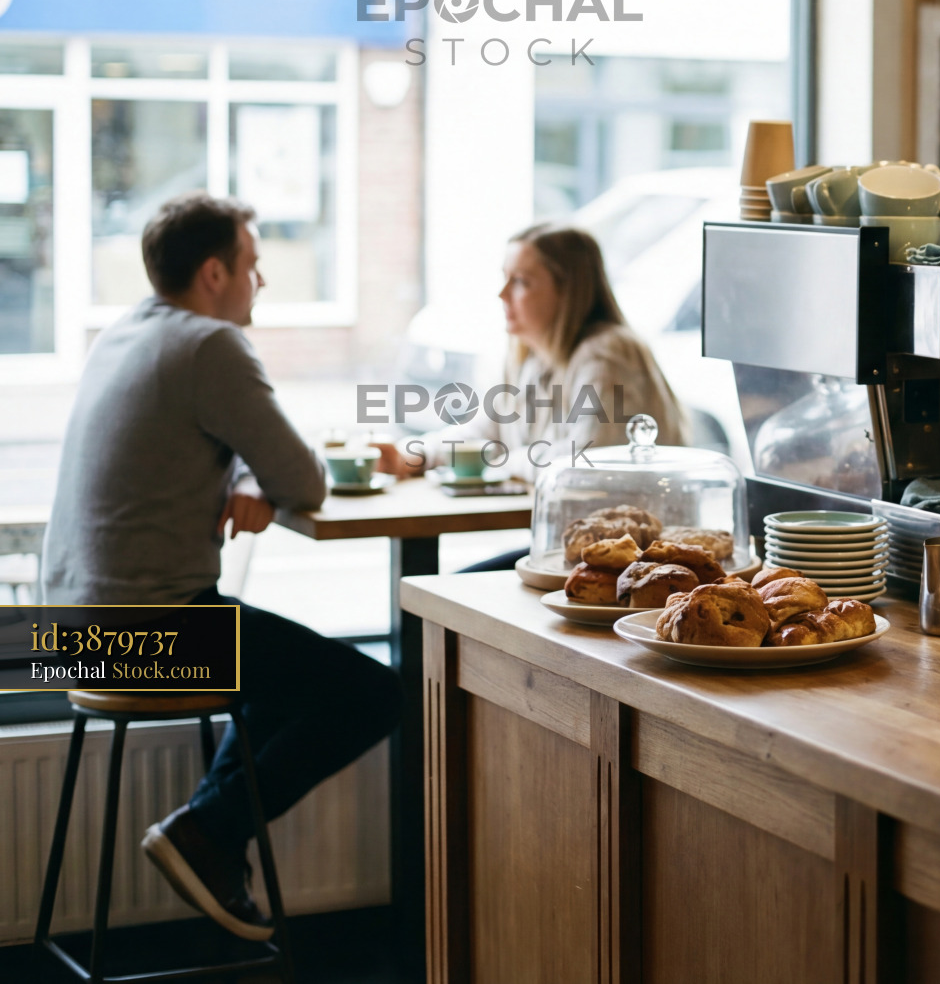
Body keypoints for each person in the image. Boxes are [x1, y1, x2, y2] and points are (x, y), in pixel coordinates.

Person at [40, 193, 400, 941]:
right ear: (213, 272)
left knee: (285, 672)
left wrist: (239, 476)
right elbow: (304, 482)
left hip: (71, 630)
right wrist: (257, 475)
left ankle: (209, 835)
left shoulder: (125, 332)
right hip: (156, 633)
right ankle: (206, 830)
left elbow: (227, 442)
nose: (259, 283)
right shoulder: (213, 345)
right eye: (253, 265)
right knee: (374, 691)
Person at [380, 224, 684, 565]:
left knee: (445, 598)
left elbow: (586, 465)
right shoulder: (533, 356)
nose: (502, 294)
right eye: (505, 277)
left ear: (568, 291)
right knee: (438, 594)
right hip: (579, 549)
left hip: (633, 559)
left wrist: (503, 459)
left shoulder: (606, 354)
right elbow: (482, 434)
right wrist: (411, 455)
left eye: (521, 281)